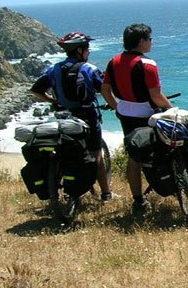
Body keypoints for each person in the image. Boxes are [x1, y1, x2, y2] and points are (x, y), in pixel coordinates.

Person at [31, 32, 114, 201]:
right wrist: (114, 104)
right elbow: (103, 90)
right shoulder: (88, 68)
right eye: (87, 49)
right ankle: (106, 193)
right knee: (96, 154)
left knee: (65, 148)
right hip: (87, 116)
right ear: (80, 50)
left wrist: (53, 101)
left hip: (64, 117)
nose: (88, 52)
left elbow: (36, 90)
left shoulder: (53, 69)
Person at [101, 24, 173, 212]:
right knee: (164, 149)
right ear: (141, 41)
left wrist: (117, 106)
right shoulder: (147, 64)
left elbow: (105, 90)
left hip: (125, 115)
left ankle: (138, 199)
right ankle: (168, 185)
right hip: (148, 115)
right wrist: (171, 109)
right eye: (149, 39)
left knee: (134, 157)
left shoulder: (112, 62)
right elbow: (156, 96)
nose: (151, 42)